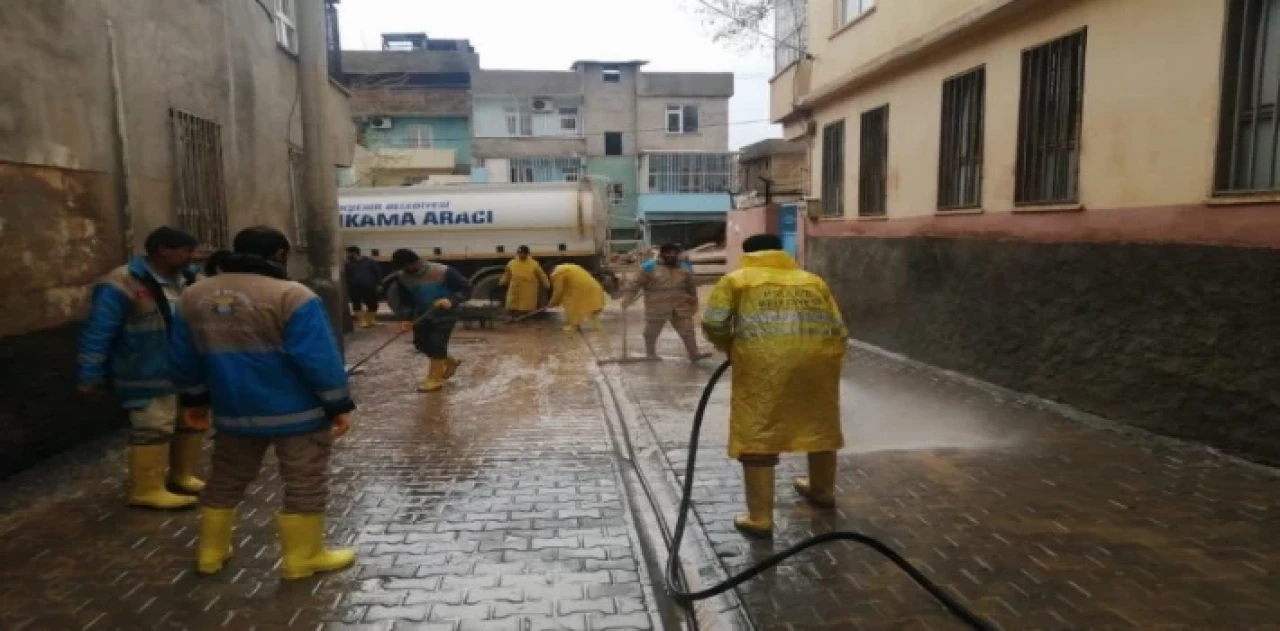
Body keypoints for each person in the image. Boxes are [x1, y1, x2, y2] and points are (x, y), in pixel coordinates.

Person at [168, 226, 357, 580]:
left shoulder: (193, 296)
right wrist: (338, 403)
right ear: (281, 254)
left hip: (235, 411)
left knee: (225, 478)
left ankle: (210, 553)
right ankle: (302, 559)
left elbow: (183, 356)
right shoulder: (292, 295)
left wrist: (194, 400)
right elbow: (318, 358)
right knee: (304, 480)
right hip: (298, 413)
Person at [700, 234, 848, 538]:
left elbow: (714, 323)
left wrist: (731, 347)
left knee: (758, 429)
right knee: (819, 421)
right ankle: (822, 491)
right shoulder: (812, 281)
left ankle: (760, 519)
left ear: (748, 253)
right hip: (817, 362)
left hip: (763, 364)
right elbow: (839, 329)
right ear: (782, 252)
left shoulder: (736, 281)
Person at [76, 226, 203, 510]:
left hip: (185, 370)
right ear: (163, 250)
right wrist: (89, 376)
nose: (190, 258)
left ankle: (181, 475)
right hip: (144, 370)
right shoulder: (121, 283)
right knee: (153, 427)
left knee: (189, 422)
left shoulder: (190, 278)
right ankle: (146, 488)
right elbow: (98, 332)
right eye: (185, 251)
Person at [381, 249, 472, 392]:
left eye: (406, 267)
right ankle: (449, 361)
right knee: (420, 344)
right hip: (422, 314)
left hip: (445, 313)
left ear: (415, 262)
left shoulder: (443, 271)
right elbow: (406, 300)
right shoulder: (402, 277)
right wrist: (406, 318)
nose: (405, 270)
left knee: (437, 343)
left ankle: (434, 380)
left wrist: (452, 300)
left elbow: (466, 289)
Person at [621, 243, 709, 362]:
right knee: (651, 333)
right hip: (657, 306)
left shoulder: (684, 268)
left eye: (674, 253)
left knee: (688, 331)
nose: (671, 255)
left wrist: (693, 302)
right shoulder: (649, 267)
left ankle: (694, 353)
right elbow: (634, 284)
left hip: (680, 306)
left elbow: (691, 287)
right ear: (662, 254)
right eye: (668, 253)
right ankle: (651, 354)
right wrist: (627, 298)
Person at [547, 263, 606, 332]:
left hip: (581, 290)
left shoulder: (557, 274)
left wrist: (552, 303)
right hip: (595, 288)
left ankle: (573, 326)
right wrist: (556, 302)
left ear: (549, 271)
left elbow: (558, 291)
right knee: (593, 313)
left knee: (570, 303)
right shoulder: (570, 267)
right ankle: (599, 331)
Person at [498, 245, 550, 319]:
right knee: (512, 304)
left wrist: (546, 283)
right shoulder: (511, 263)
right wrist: (502, 281)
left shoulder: (534, 264)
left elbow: (541, 275)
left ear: (527, 254)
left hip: (528, 288)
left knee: (526, 306)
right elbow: (507, 274)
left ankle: (526, 318)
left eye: (523, 253)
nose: (522, 255)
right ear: (517, 253)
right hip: (515, 287)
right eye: (520, 253)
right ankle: (513, 317)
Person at [345, 246, 383, 329]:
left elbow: (377, 272)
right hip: (354, 287)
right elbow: (347, 276)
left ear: (354, 253)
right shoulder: (348, 264)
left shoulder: (369, 261)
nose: (347, 255)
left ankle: (371, 320)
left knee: (372, 303)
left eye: (348, 253)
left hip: (369, 286)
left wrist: (379, 284)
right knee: (356, 303)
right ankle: (362, 321)